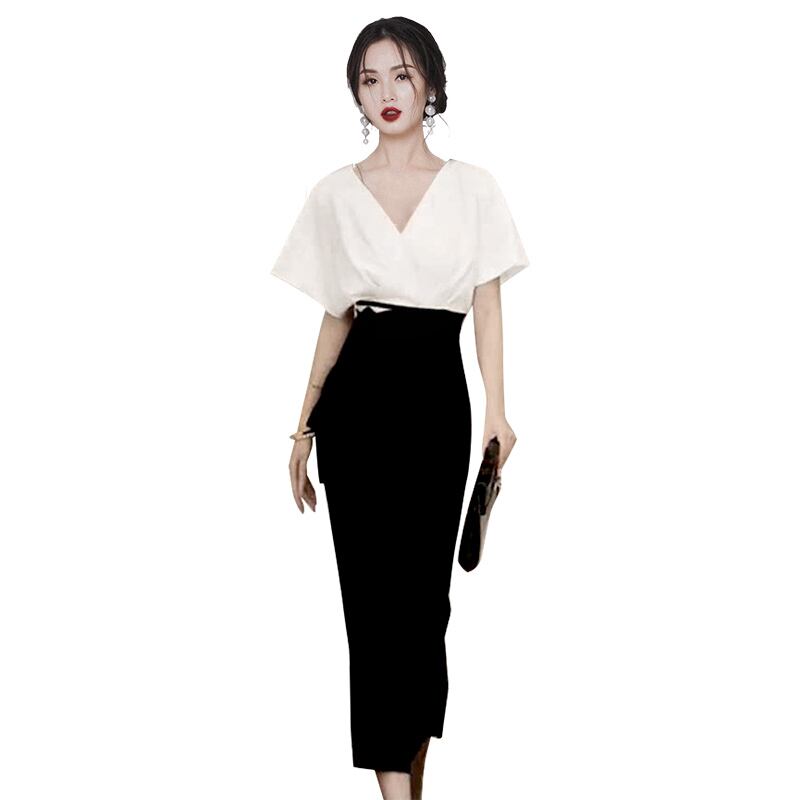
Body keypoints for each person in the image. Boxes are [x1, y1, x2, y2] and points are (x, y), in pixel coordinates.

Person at [271, 17, 530, 800]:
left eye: (402, 75)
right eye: (370, 78)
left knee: (423, 612)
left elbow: (487, 307)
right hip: (358, 406)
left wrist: (498, 412)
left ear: (432, 86)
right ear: (356, 94)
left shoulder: (474, 188)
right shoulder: (334, 194)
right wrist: (302, 426)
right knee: (374, 614)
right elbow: (336, 316)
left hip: (435, 402)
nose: (386, 92)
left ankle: (408, 788)